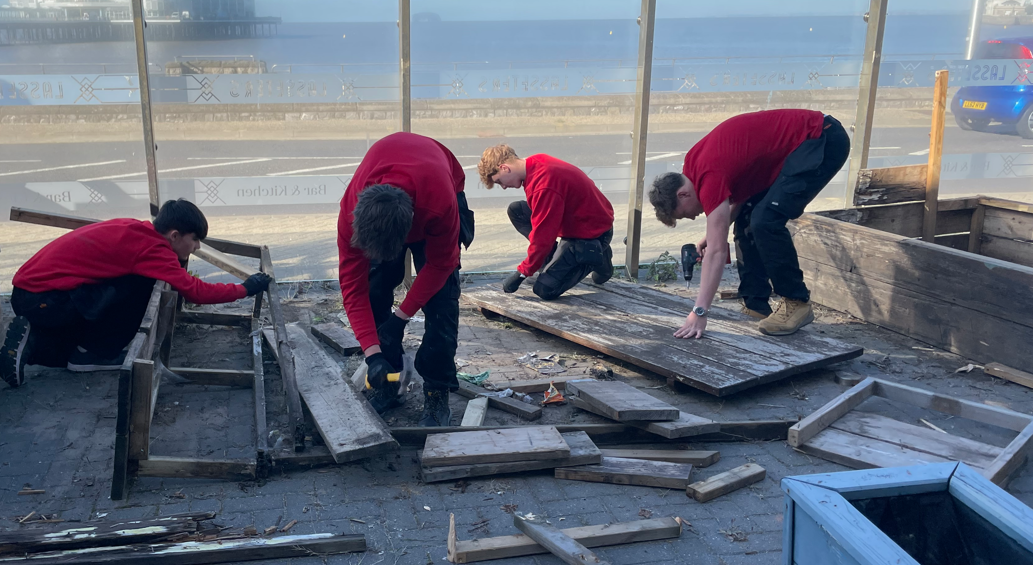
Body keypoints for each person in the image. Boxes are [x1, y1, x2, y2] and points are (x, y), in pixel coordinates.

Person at [0, 198, 271, 387]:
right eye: (195, 240)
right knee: (142, 286)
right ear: (174, 235)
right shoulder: (153, 251)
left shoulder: (137, 229)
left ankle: (34, 345)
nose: (197, 247)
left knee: (131, 284)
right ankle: (89, 353)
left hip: (33, 293)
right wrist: (245, 288)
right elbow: (195, 291)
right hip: (42, 300)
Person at [648, 108, 850, 338]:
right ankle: (756, 305)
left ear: (683, 194)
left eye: (685, 214)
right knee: (748, 220)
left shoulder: (708, 176)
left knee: (765, 220)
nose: (693, 217)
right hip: (801, 146)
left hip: (821, 139)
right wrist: (712, 235)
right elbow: (742, 193)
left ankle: (797, 302)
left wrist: (699, 311)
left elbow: (716, 251)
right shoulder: (694, 168)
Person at [338, 132, 473, 427]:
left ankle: (437, 392)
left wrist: (400, 318)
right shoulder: (350, 214)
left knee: (442, 303)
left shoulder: (439, 205)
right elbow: (353, 288)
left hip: (437, 187)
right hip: (400, 201)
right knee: (374, 288)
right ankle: (387, 380)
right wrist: (372, 353)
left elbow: (441, 264)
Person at [478, 144, 615, 299]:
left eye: (499, 181)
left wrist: (522, 273)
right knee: (517, 211)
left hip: (590, 234)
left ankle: (596, 254)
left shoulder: (544, 185)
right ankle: (551, 260)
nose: (503, 187)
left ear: (504, 168)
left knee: (545, 290)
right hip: (577, 220)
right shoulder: (537, 161)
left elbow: (543, 236)